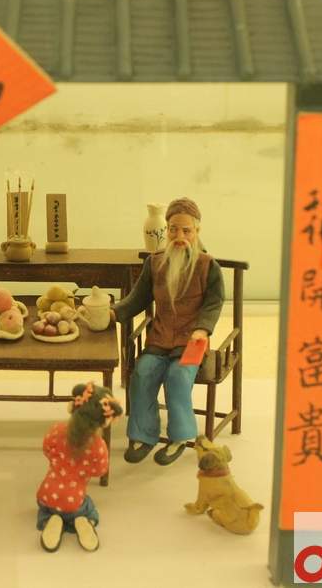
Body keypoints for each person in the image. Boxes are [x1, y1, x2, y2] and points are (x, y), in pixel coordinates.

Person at [111, 197, 224, 466]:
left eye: (186, 230)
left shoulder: (208, 265)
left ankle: (180, 437)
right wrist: (114, 312)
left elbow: (214, 302)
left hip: (193, 341)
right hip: (160, 337)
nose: (179, 236)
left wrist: (203, 329)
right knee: (142, 373)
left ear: (196, 231)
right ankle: (144, 435)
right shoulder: (155, 263)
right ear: (167, 230)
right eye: (173, 229)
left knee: (178, 377)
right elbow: (137, 298)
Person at [36, 382, 122, 553]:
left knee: (46, 507)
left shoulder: (57, 430)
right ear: (103, 422)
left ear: (73, 407)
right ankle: (82, 520)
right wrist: (83, 470)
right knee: (88, 506)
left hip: (47, 493)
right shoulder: (98, 446)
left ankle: (51, 519)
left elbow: (47, 449)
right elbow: (101, 470)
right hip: (74, 501)